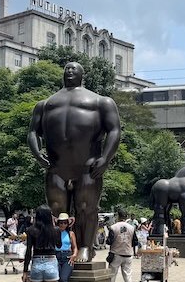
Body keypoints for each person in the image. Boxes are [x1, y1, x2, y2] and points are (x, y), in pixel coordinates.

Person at [27, 62, 122, 262]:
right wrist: (37, 153)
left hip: (87, 166)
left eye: (74, 69)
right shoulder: (45, 104)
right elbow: (33, 132)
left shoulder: (100, 101)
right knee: (56, 208)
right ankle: (59, 247)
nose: (70, 71)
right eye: (67, 69)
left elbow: (115, 130)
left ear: (82, 74)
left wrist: (105, 158)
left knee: (86, 207)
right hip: (56, 166)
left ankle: (86, 246)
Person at [107, 213, 136, 282]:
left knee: (112, 276)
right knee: (128, 277)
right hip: (128, 255)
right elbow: (135, 242)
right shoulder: (131, 228)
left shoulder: (113, 227)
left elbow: (109, 241)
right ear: (126, 217)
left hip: (116, 254)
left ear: (118, 217)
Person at [54, 213, 78, 282]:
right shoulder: (54, 233)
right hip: (56, 257)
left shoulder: (70, 234)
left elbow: (75, 247)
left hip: (67, 257)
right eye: (61, 223)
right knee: (57, 281)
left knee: (63, 279)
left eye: (65, 223)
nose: (62, 225)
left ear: (68, 224)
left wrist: (74, 255)